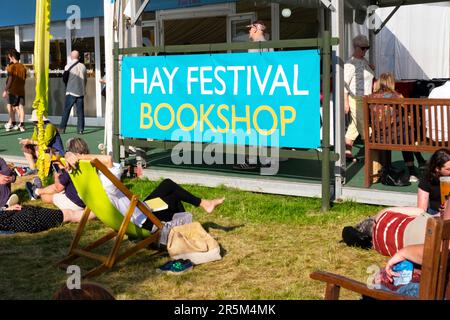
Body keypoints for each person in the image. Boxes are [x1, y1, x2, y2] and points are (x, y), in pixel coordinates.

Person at [63, 149, 225, 234]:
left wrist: (70, 155)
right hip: (143, 221)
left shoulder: (87, 188)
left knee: (168, 186)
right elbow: (107, 160)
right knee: (173, 198)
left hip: (140, 210)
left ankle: (203, 205)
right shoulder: (107, 184)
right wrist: (80, 155)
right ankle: (181, 231)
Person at [342, 148, 450, 248]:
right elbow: (421, 210)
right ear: (437, 169)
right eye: (448, 169)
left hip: (442, 216)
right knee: (407, 218)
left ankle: (370, 229)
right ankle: (368, 225)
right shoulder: (427, 180)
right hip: (433, 214)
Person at [234, 20, 283, 171]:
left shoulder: (256, 46)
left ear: (256, 29)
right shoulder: (268, 45)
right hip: (266, 92)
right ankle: (267, 159)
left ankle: (254, 159)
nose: (248, 32)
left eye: (250, 29)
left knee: (254, 127)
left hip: (256, 93)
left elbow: (253, 71)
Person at [369, 73, 426, 182]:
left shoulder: (370, 97)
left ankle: (389, 167)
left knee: (402, 132)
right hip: (397, 137)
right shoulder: (398, 97)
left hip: (378, 137)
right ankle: (412, 172)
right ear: (392, 83)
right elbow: (407, 110)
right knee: (407, 135)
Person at [25, 138, 87, 217]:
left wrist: (56, 176)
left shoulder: (71, 165)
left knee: (46, 196)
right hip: (88, 201)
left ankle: (36, 192)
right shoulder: (90, 164)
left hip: (75, 203)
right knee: (59, 188)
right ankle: (36, 191)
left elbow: (58, 187)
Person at [344, 35, 375, 162]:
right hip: (356, 98)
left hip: (366, 98)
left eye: (367, 48)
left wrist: (371, 69)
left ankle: (346, 151)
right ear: (356, 47)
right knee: (364, 126)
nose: (365, 51)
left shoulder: (364, 60)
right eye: (363, 48)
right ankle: (372, 155)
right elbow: (344, 85)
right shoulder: (350, 64)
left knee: (355, 126)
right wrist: (345, 103)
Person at [19, 110, 65, 174]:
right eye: (34, 121)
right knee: (26, 147)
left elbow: (45, 143)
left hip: (56, 151)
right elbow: (34, 139)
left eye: (36, 121)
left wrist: (30, 141)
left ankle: (43, 169)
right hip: (46, 150)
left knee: (39, 147)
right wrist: (28, 142)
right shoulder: (37, 127)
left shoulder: (49, 126)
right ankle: (34, 169)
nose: (35, 123)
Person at [0, 204, 94, 233]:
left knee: (68, 213)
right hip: (27, 220)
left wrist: (6, 209)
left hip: (21, 218)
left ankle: (100, 211)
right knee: (69, 214)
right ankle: (102, 212)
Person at [59, 50, 87, 135]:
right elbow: (85, 79)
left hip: (71, 91)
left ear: (71, 57)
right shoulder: (83, 66)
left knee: (66, 111)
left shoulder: (68, 66)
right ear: (78, 57)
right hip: (80, 91)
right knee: (80, 112)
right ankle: (80, 129)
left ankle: (62, 128)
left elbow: (64, 79)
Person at [2, 49, 27, 132]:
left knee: (10, 106)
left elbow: (10, 79)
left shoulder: (11, 67)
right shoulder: (23, 67)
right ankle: (22, 125)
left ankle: (12, 122)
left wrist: (5, 90)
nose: (9, 59)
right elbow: (24, 78)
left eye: (9, 58)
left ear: (12, 57)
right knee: (20, 107)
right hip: (21, 90)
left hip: (13, 90)